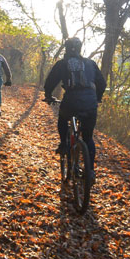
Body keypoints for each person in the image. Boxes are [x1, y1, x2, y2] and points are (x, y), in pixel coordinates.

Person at [43, 37, 106, 182]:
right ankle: (90, 171)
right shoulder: (90, 63)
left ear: (66, 49)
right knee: (88, 138)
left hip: (71, 102)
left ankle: (64, 145)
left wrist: (48, 96)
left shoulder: (62, 64)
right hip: (90, 103)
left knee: (62, 119)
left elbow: (50, 81)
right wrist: (97, 98)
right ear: (80, 49)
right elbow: (102, 83)